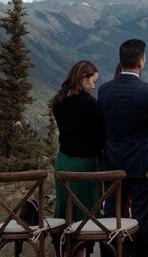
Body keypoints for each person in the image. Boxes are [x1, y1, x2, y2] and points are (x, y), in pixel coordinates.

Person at [98, 39, 148, 257]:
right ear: (141, 61)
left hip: (113, 160)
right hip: (142, 162)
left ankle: (111, 253)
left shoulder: (105, 91)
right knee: (142, 216)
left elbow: (104, 125)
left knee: (112, 212)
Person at [51, 60, 105, 219]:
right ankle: (85, 242)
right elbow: (102, 136)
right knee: (86, 208)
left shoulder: (58, 102)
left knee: (65, 205)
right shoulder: (90, 104)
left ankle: (64, 240)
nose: (94, 86)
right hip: (85, 164)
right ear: (83, 79)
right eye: (93, 81)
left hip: (63, 161)